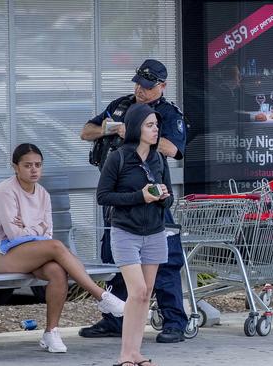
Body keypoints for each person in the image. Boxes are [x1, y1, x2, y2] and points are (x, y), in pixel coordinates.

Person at [79, 59, 189, 343]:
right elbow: (86, 131)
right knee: (116, 260)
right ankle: (116, 319)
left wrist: (141, 132)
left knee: (163, 262)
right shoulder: (120, 105)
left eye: (148, 86)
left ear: (162, 87)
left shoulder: (168, 113)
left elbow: (174, 148)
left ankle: (174, 321)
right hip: (119, 194)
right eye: (139, 83)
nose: (141, 89)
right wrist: (113, 129)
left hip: (150, 197)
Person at [0, 143, 125, 353]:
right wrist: (37, 229)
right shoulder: (4, 192)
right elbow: (16, 235)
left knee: (57, 271)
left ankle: (51, 333)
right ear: (15, 167)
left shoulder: (42, 193)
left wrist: (29, 228)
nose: (34, 170)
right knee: (55, 246)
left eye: (38, 165)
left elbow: (47, 232)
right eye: (27, 166)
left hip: (31, 250)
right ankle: (101, 296)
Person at [98, 103, 173, 366]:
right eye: (149, 125)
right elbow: (103, 196)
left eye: (156, 126)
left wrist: (162, 196)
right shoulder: (118, 157)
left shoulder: (159, 159)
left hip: (154, 232)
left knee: (146, 293)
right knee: (137, 290)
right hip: (125, 231)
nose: (155, 131)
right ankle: (124, 355)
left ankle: (135, 353)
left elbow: (170, 199)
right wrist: (139, 197)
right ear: (136, 128)